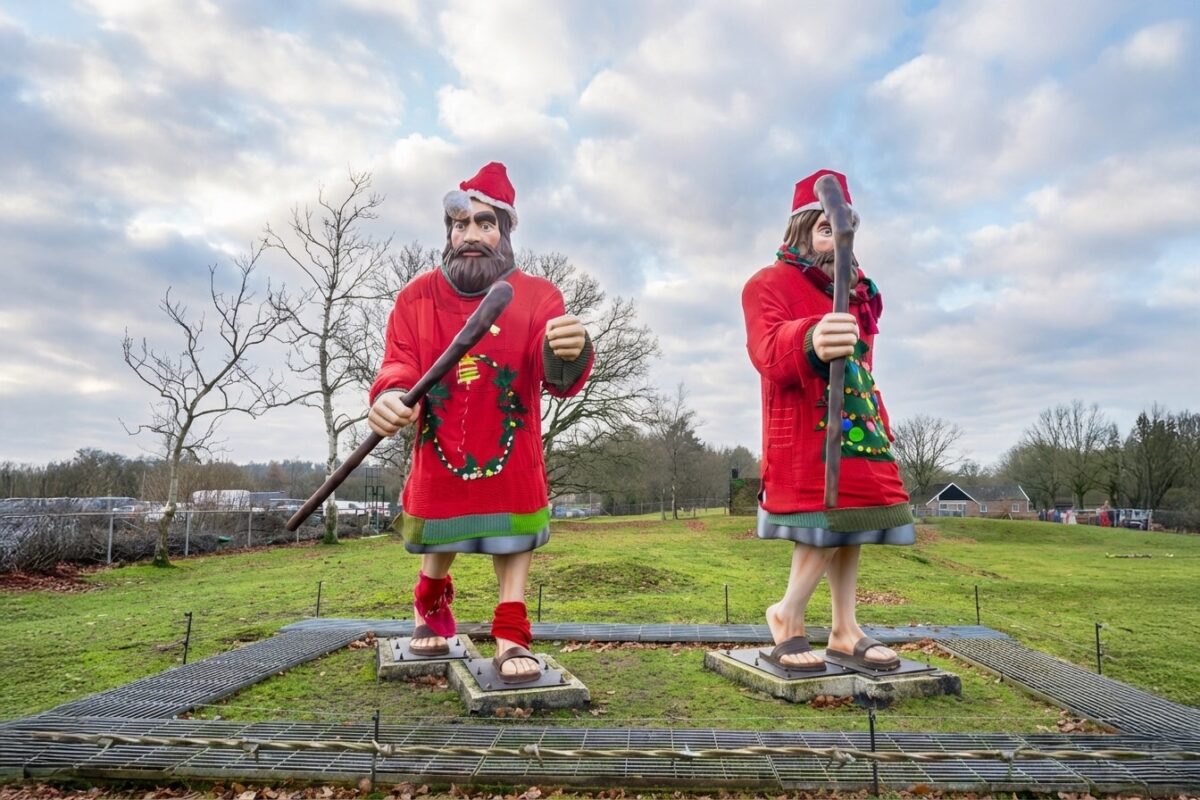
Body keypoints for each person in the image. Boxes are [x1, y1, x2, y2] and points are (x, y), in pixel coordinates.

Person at [367, 162, 594, 683]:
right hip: (440, 442)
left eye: (485, 223)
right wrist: (393, 394)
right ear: (448, 232)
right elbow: (399, 361)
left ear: (505, 232)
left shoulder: (539, 296)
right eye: (460, 223)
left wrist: (571, 350)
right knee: (438, 538)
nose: (471, 234)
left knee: (513, 534)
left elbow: (557, 376)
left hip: (512, 452)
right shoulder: (415, 298)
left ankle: (512, 634)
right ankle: (429, 599)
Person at [741, 169, 915, 672]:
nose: (835, 241)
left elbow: (864, 365)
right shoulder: (766, 284)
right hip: (802, 430)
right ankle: (787, 615)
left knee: (854, 524)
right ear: (801, 232)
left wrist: (874, 418)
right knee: (824, 522)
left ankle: (844, 628)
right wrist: (810, 338)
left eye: (841, 232)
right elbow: (767, 351)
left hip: (857, 427)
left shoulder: (858, 292)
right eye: (824, 230)